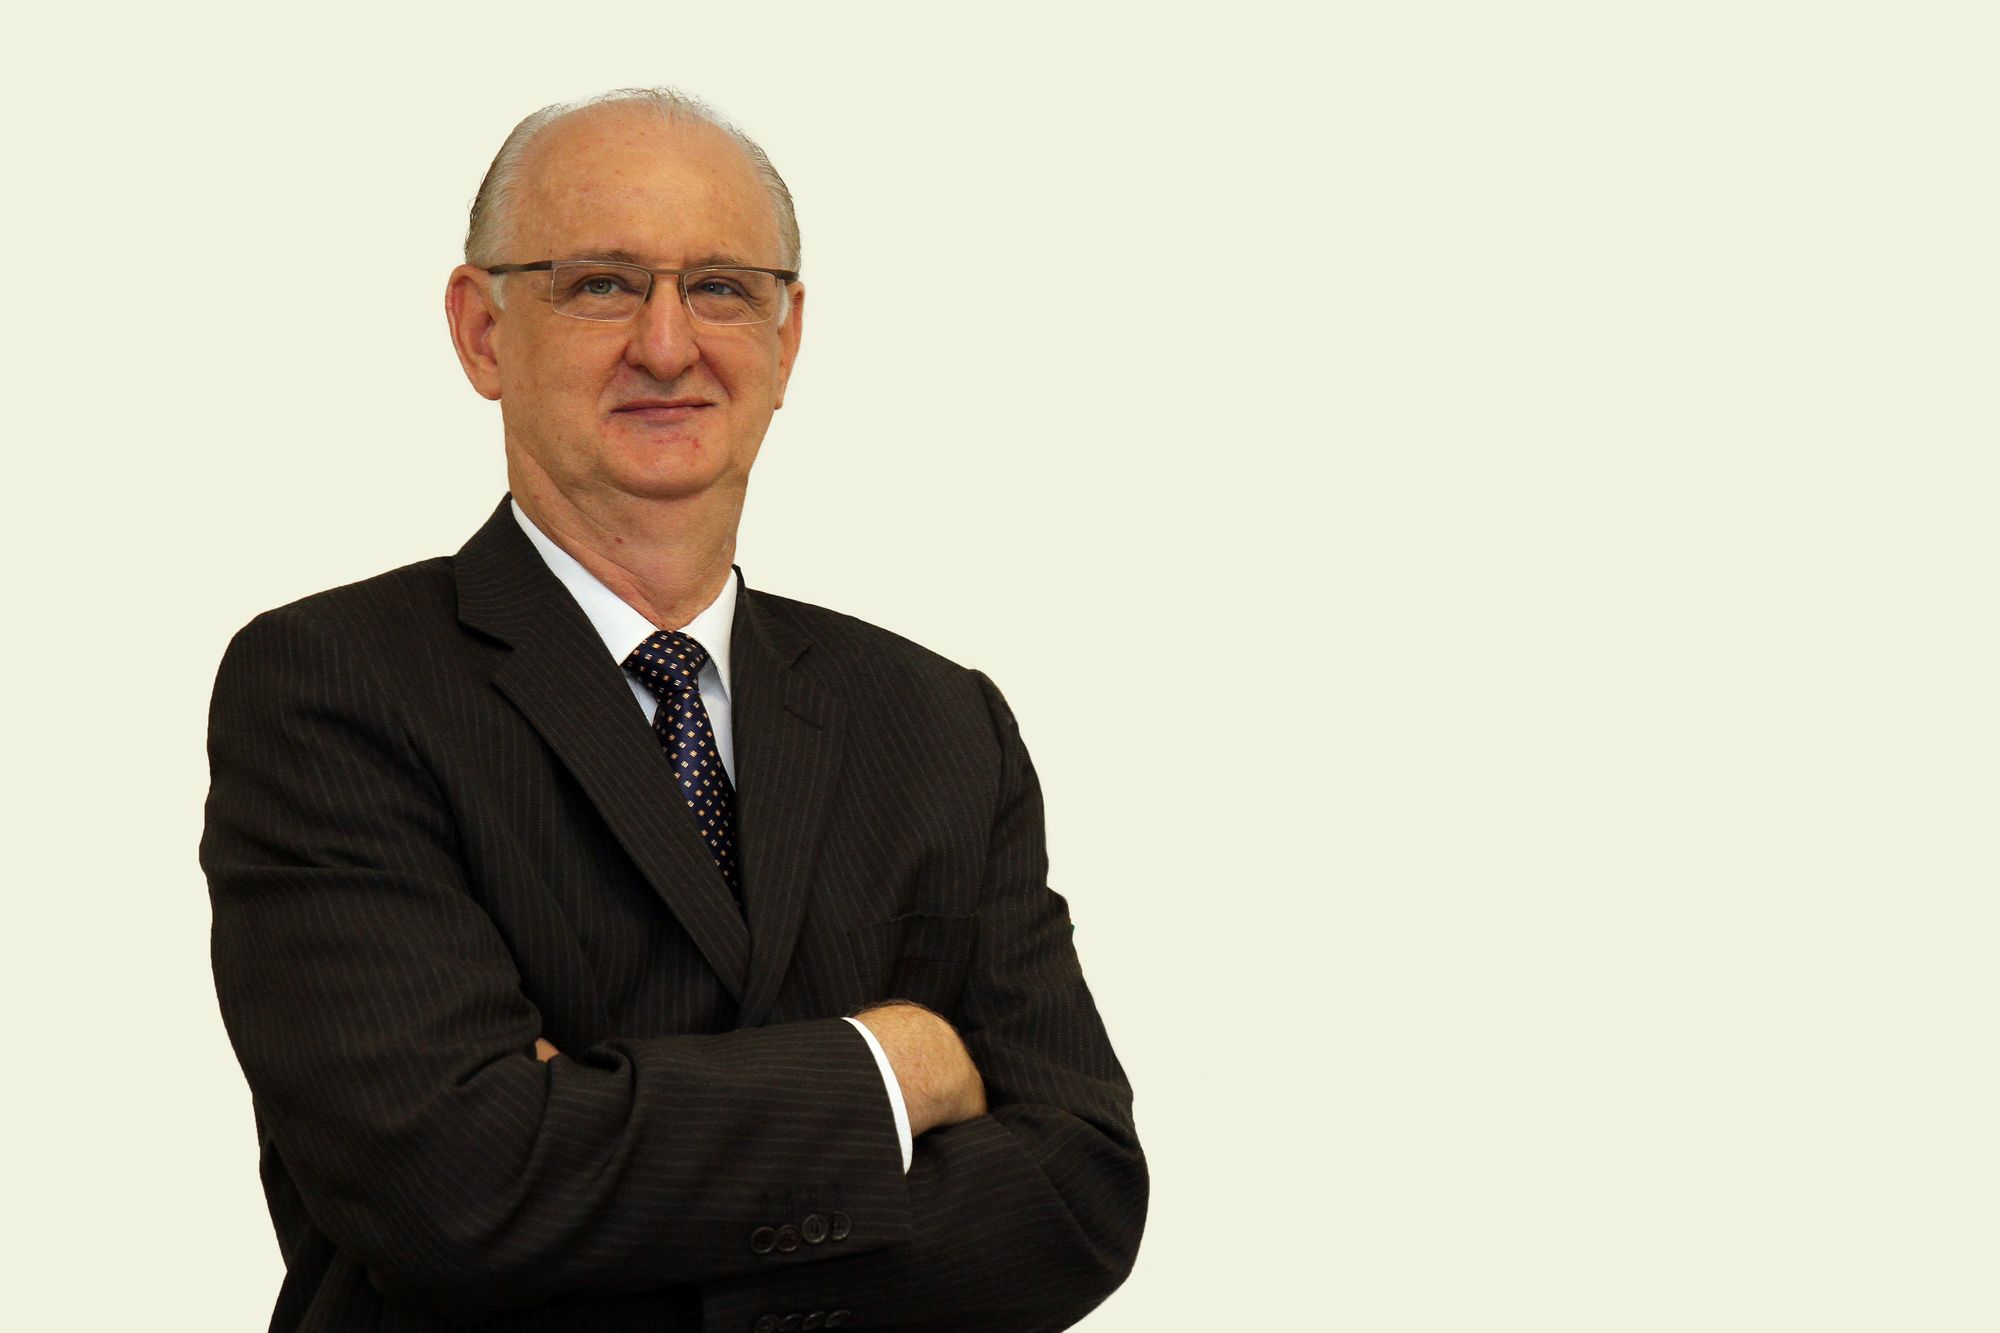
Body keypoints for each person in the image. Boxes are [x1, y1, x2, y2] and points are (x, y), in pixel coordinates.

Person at [201, 88, 1145, 1333]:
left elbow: (1079, 1196)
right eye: (599, 284)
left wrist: (592, 1159)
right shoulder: (332, 688)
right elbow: (453, 1185)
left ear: (786, 338)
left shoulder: (937, 722)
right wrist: (890, 1068)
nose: (665, 344)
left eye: (719, 288)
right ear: (482, 331)